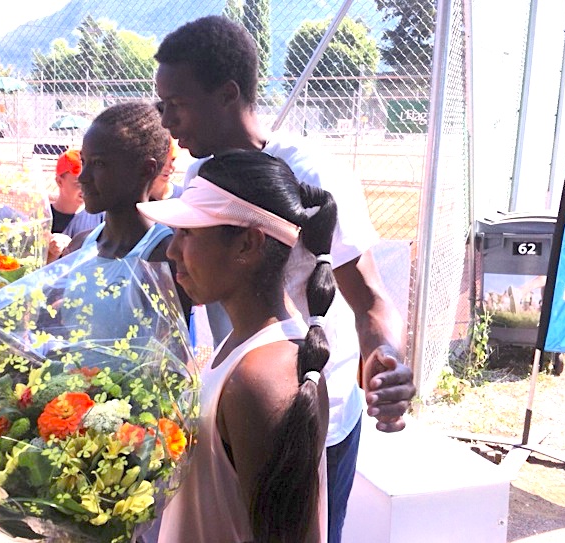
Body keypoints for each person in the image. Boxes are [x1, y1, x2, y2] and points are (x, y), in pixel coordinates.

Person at [155, 16, 415, 541]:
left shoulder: (311, 173)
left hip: (305, 402)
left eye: (175, 105)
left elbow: (370, 302)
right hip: (231, 390)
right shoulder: (198, 173)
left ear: (228, 95)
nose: (167, 123)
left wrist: (385, 361)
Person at [137, 150, 333, 542]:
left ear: (247, 244)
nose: (172, 251)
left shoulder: (263, 378)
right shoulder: (241, 348)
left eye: (188, 233)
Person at [60, 100, 192, 321]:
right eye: (84, 162)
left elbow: (172, 350)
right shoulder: (79, 247)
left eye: (99, 164)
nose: (83, 177)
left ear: (145, 170)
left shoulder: (165, 259)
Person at [47, 148, 102, 263]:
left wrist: (74, 247)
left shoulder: (100, 216)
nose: (86, 189)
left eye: (90, 182)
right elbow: (31, 271)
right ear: (59, 181)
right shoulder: (43, 218)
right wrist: (51, 254)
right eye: (78, 184)